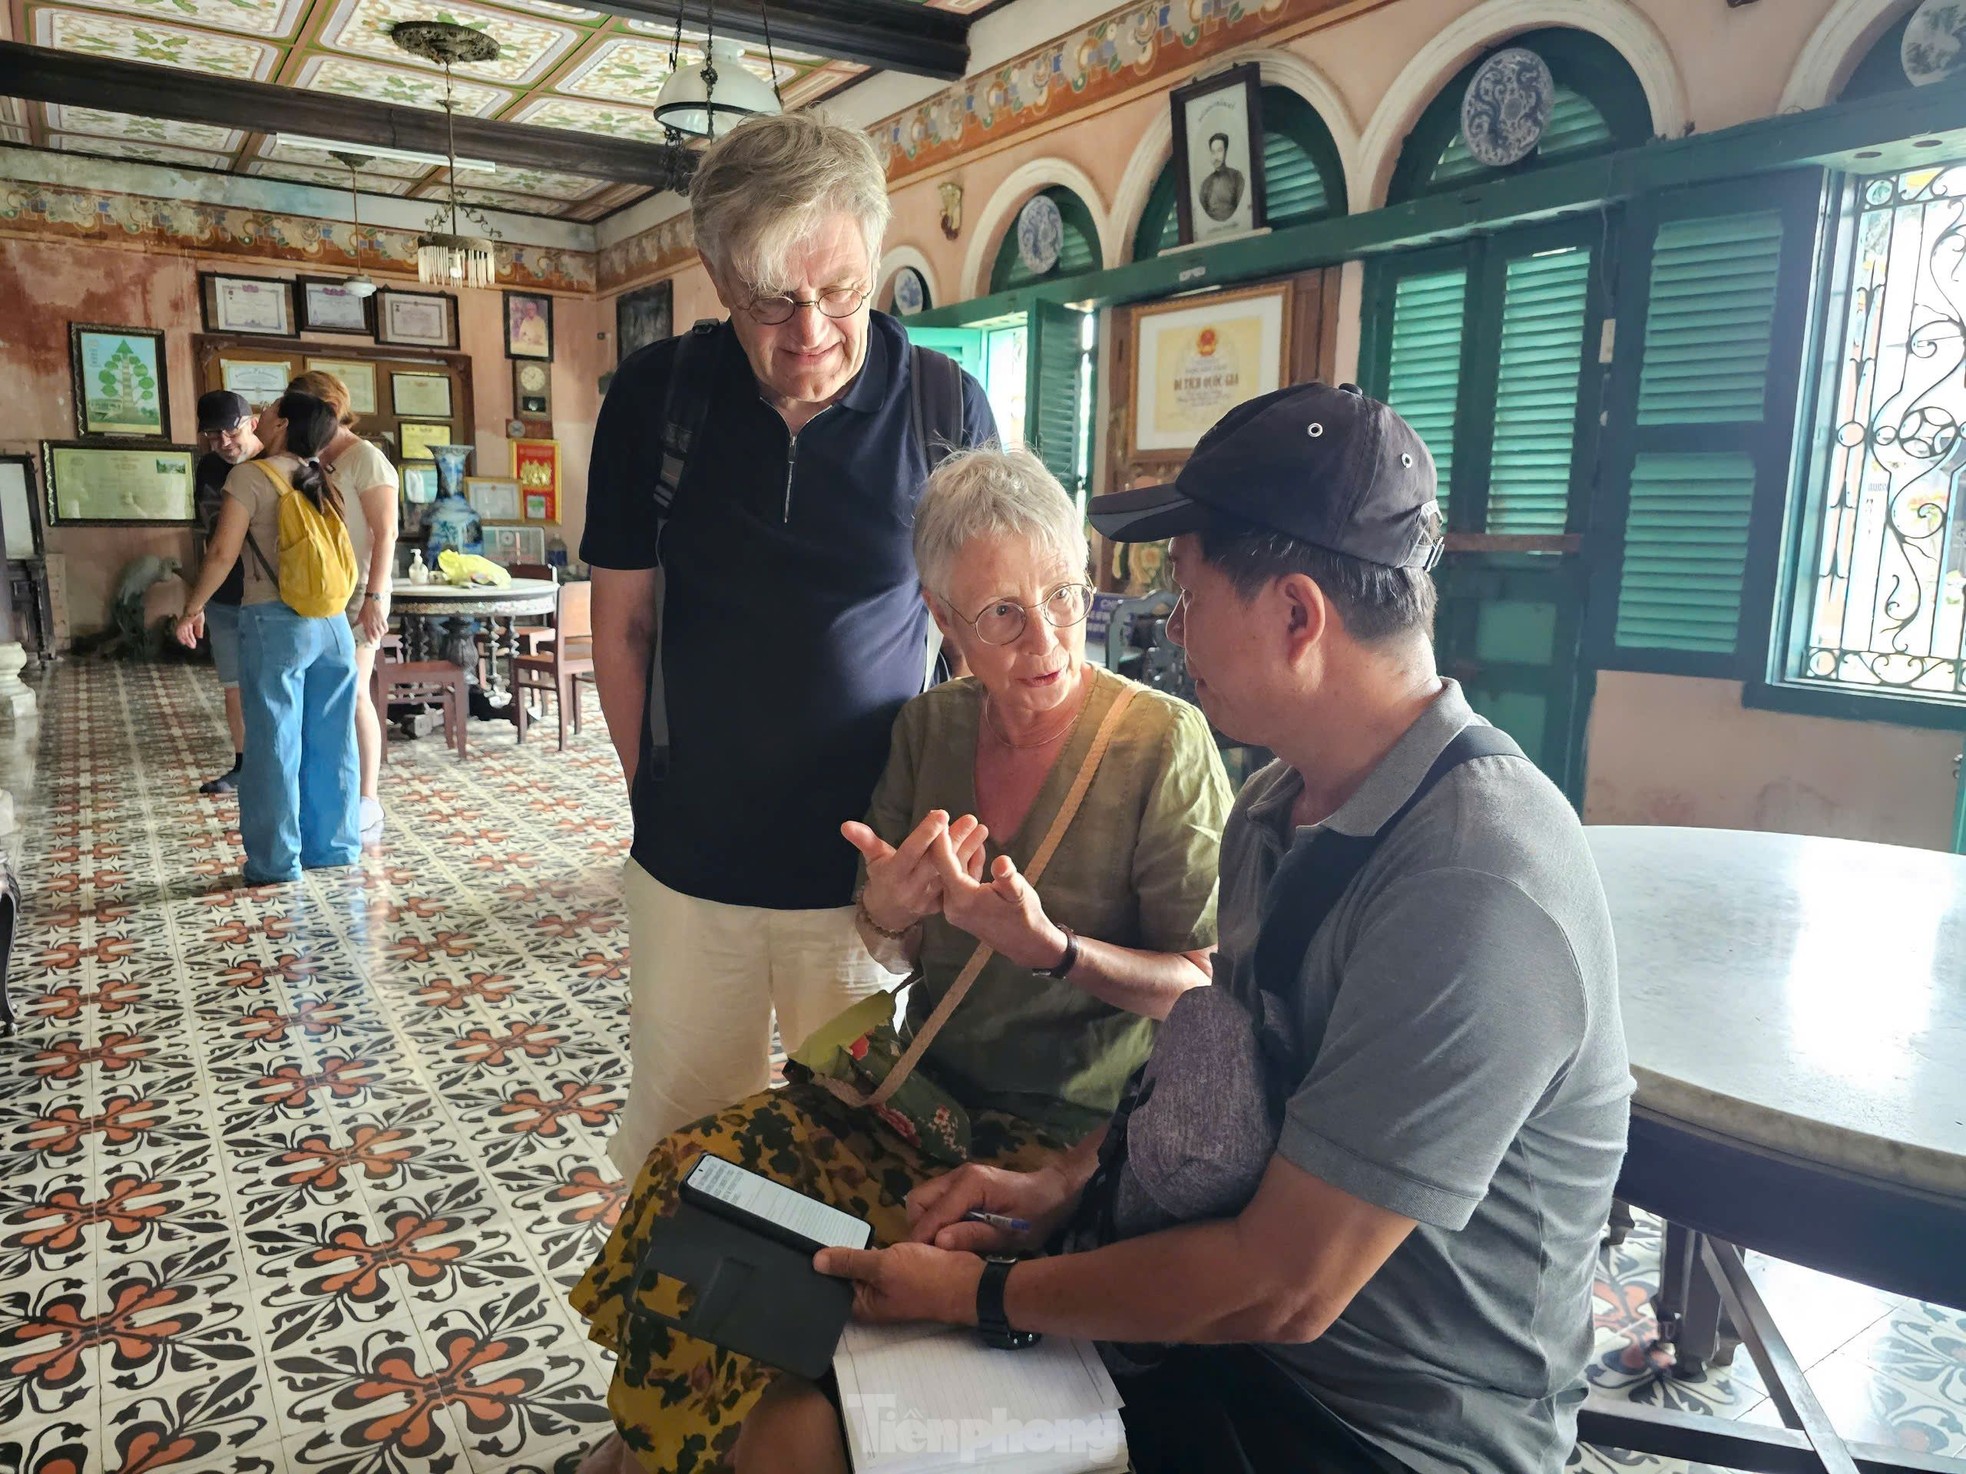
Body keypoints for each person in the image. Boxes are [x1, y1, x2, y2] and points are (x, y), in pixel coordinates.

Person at [737, 384, 1634, 1474]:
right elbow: (1211, 1088)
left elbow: (1284, 1286)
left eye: (1189, 592)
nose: (1168, 628)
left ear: (1297, 616)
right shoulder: (1277, 806)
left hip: (1376, 1423)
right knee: (786, 1425)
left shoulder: (1477, 881)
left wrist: (989, 1293)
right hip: (1217, 1347)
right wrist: (1054, 1188)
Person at [570, 446, 1233, 1474]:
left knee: (794, 1254)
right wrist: (885, 905)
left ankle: (731, 1438)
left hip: (1057, 1144)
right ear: (942, 622)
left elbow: (1203, 985)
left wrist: (1052, 949)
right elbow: (886, 922)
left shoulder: (1161, 745)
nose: (1046, 638)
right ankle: (666, 1443)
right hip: (910, 1095)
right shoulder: (931, 726)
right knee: (689, 1176)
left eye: (1062, 593)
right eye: (1000, 615)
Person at [583, 111, 998, 1177]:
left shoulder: (943, 408)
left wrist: (940, 840)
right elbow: (623, 626)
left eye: (841, 291)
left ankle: (839, 1342)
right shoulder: (654, 399)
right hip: (692, 869)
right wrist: (653, 794)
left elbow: (976, 650)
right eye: (774, 299)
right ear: (722, 284)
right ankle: (680, 1330)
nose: (811, 329)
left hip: (869, 884)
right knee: (684, 1138)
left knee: (864, 1142)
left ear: (874, 263)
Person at [173, 392, 361, 886]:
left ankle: (276, 862)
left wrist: (192, 609)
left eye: (273, 407)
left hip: (276, 623)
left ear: (281, 422)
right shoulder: (318, 473)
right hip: (333, 625)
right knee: (332, 741)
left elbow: (220, 554)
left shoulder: (251, 476)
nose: (266, 411)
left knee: (273, 744)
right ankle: (334, 847)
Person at [287, 370, 398, 846]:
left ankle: (369, 801)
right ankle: (334, 792)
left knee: (353, 692)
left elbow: (385, 533)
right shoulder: (311, 460)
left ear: (330, 410)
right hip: (324, 587)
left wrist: (374, 598)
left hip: (359, 591)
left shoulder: (366, 460)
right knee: (325, 692)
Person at [190, 390, 261, 795]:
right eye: (212, 436)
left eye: (230, 431)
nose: (223, 443)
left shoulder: (276, 463)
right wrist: (198, 600)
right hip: (223, 595)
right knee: (233, 684)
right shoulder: (208, 469)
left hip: (271, 594)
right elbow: (209, 538)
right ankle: (243, 764)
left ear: (251, 422)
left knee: (275, 684)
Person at [1198, 130, 1246, 223]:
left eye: (1219, 151)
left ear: (1226, 152)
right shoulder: (1206, 183)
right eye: (1213, 152)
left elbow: (1242, 209)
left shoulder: (1236, 177)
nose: (1216, 157)